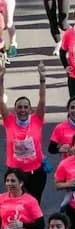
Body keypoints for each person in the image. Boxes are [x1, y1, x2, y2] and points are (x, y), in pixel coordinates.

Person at [0, 62, 49, 202]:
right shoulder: (9, 121)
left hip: (36, 173)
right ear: (15, 110)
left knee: (33, 204)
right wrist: (1, 79)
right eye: (19, 107)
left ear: (30, 110)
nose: (22, 110)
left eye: (25, 107)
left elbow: (42, 100)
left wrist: (42, 78)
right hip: (15, 173)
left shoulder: (37, 119)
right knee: (16, 202)